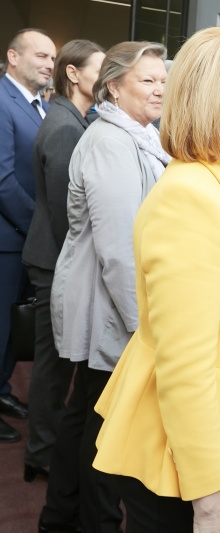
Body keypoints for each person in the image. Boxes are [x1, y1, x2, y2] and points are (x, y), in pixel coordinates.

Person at [91, 27, 220, 533]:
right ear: (218, 98)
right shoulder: (192, 196)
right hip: (184, 473)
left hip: (208, 455)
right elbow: (184, 365)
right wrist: (207, 507)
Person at [42, 41, 169, 533]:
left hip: (111, 301)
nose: (159, 88)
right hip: (107, 305)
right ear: (113, 86)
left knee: (87, 416)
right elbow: (118, 249)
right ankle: (86, 521)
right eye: (146, 80)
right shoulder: (111, 142)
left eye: (161, 79)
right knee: (104, 427)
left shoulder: (141, 135)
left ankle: (61, 517)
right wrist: (144, 328)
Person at [21, 38, 105, 483]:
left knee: (54, 363)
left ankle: (44, 448)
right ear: (73, 74)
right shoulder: (67, 127)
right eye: (100, 68)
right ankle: (42, 453)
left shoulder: (68, 118)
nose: (109, 76)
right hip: (54, 262)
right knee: (54, 366)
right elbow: (65, 216)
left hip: (51, 258)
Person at [0, 28, 56, 443]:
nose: (49, 64)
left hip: (22, 238)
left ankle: (2, 390)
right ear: (12, 57)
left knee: (9, 328)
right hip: (7, 236)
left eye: (53, 58)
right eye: (40, 55)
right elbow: (2, 180)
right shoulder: (2, 101)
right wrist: (35, 225)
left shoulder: (36, 104)